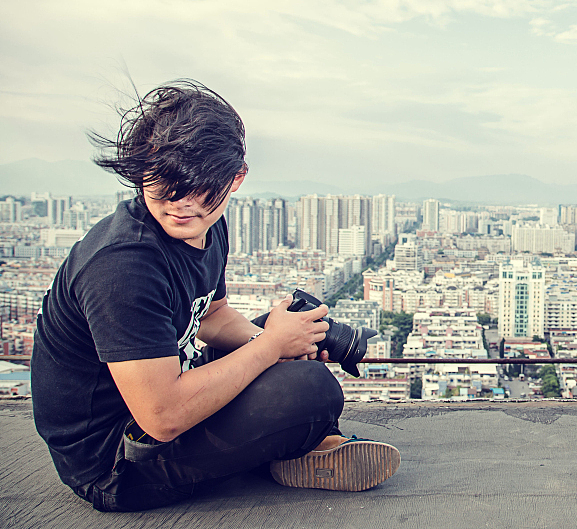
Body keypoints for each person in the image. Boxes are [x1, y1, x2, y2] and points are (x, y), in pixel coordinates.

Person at [30, 80, 399, 512]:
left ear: (236, 178)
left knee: (291, 330)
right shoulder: (121, 265)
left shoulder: (206, 225)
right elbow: (162, 416)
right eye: (160, 183)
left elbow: (213, 316)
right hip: (116, 459)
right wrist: (270, 349)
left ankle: (300, 442)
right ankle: (301, 444)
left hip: (164, 392)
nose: (180, 203)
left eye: (198, 185)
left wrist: (284, 341)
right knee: (310, 389)